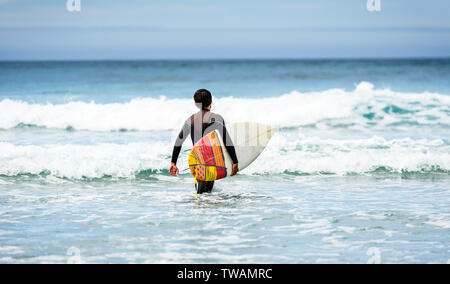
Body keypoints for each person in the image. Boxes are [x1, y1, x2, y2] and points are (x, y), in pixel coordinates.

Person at [169, 89, 239, 193]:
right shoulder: (218, 118)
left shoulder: (190, 120)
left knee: (201, 192)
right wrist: (235, 161)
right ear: (210, 102)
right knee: (207, 193)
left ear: (195, 103)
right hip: (213, 161)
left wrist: (173, 162)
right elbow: (227, 141)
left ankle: (201, 206)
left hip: (198, 161)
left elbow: (179, 141)